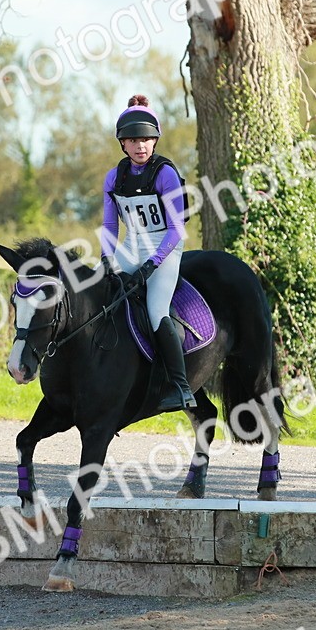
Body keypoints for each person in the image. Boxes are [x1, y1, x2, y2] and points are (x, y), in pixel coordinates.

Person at [99, 94, 196, 412]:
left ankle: (180, 387)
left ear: (155, 141)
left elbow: (176, 228)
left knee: (156, 311)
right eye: (133, 140)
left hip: (165, 247)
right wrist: (106, 258)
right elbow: (111, 226)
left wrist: (151, 265)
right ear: (123, 144)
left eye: (146, 139)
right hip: (132, 246)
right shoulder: (114, 178)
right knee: (100, 294)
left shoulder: (165, 173)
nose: (140, 145)